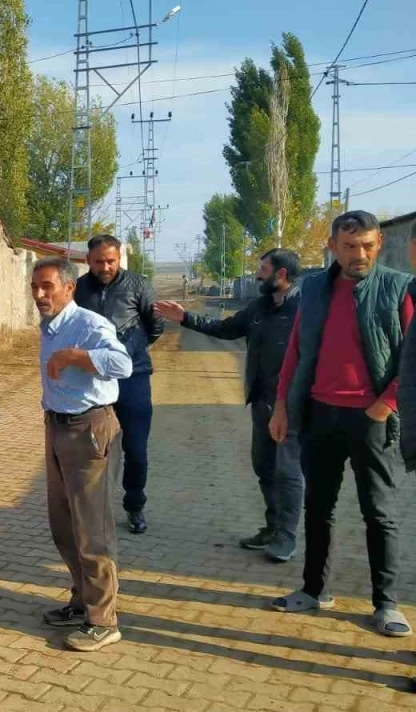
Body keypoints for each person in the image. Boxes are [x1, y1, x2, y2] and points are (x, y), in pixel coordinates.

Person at [270, 211, 413, 638]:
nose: (359, 254)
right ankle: (314, 590)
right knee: (319, 506)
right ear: (333, 246)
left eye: (367, 245)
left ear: (379, 244)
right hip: (320, 414)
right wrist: (282, 404)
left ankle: (386, 604)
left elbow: (413, 357)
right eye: (349, 246)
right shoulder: (314, 288)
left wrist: (385, 404)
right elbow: (296, 350)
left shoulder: (399, 287)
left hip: (371, 418)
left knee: (379, 512)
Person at [154, 249, 303, 562]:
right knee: (264, 467)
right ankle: (272, 528)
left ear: (282, 274)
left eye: (263, 269)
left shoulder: (305, 308)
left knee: (287, 471)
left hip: (292, 404)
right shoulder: (259, 307)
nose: (257, 275)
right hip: (261, 401)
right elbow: (225, 329)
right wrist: (185, 317)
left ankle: (286, 537)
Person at [32, 257, 133, 652]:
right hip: (57, 428)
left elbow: (122, 364)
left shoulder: (89, 325)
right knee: (64, 524)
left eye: (48, 286)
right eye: (35, 287)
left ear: (69, 288)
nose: (40, 294)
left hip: (89, 430)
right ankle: (82, 600)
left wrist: (76, 356)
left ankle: (103, 620)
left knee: (93, 530)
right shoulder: (49, 326)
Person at [75, 234, 164, 534]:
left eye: (111, 261)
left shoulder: (138, 285)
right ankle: (92, 507)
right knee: (92, 449)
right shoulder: (77, 289)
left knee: (135, 449)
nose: (105, 267)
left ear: (119, 258)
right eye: (99, 261)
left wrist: (129, 353)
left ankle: (135, 505)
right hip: (92, 379)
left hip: (132, 379)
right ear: (87, 260)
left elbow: (156, 325)